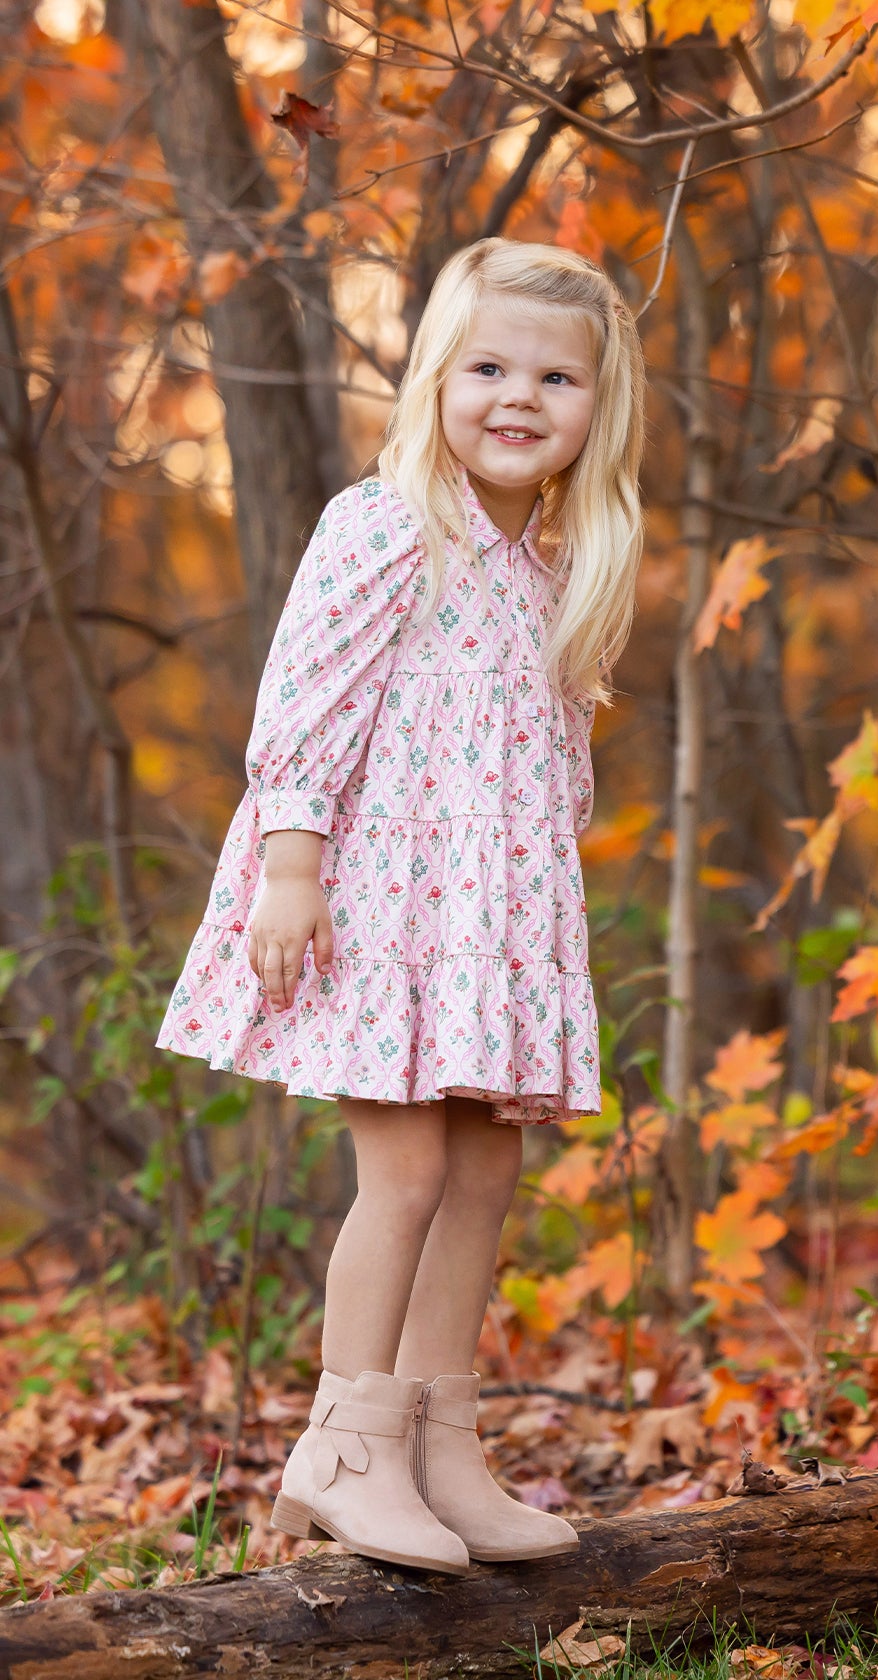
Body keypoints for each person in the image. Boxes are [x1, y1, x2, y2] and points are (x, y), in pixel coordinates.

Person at [155, 237, 646, 1572]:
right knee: (412, 1168)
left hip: (491, 931)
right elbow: (303, 704)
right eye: (488, 365)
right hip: (377, 910)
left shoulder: (555, 567)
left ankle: (440, 1442)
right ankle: (345, 1446)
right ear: (436, 375)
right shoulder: (385, 526)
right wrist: (294, 869)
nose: (517, 396)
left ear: (598, 409)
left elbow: (542, 762)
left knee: (489, 1165)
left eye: (555, 376)